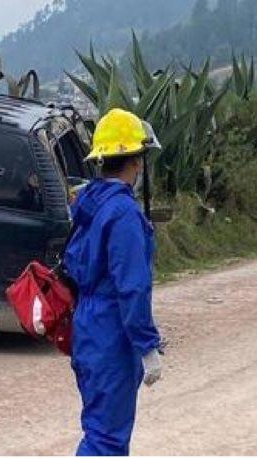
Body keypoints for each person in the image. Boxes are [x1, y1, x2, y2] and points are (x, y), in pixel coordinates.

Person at [64, 108, 163, 456]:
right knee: (106, 439)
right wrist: (147, 345)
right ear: (135, 163)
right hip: (111, 332)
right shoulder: (123, 213)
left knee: (99, 430)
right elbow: (132, 287)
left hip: (89, 326)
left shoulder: (89, 203)